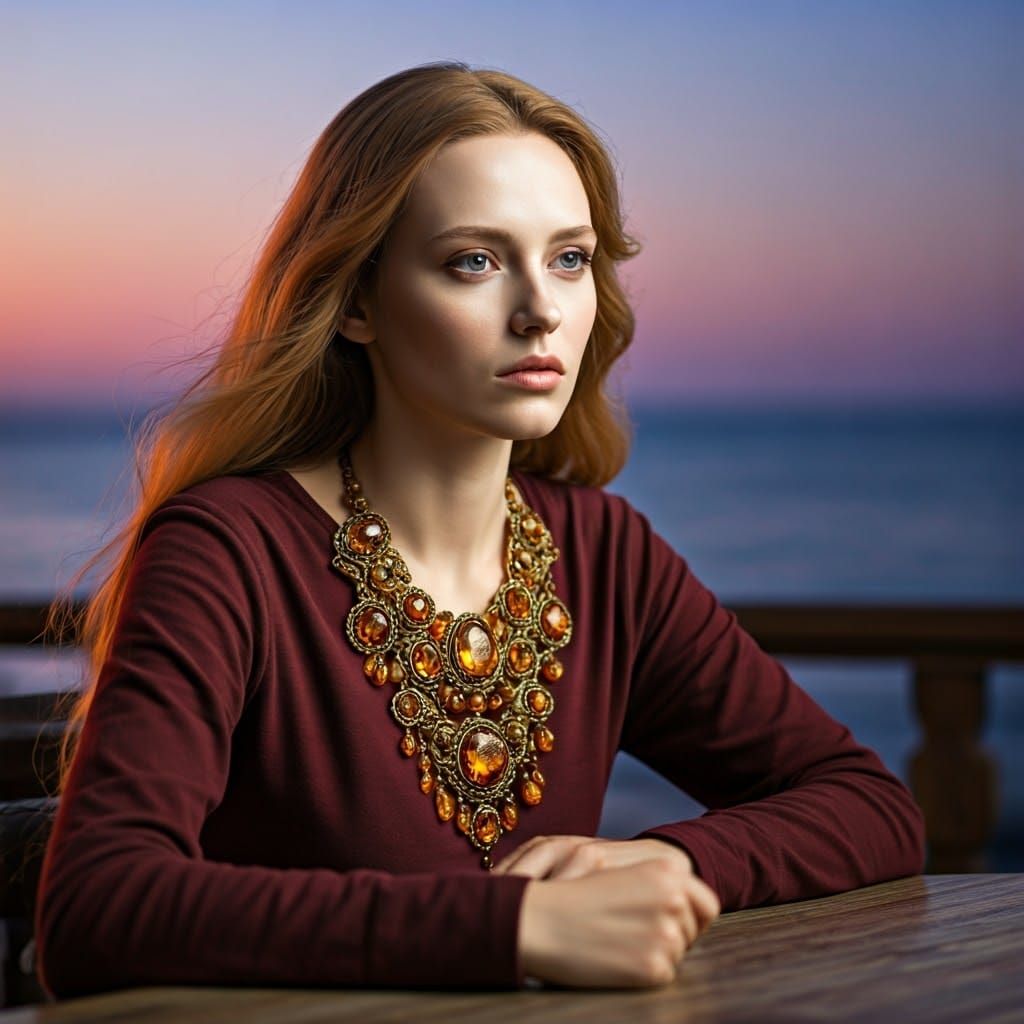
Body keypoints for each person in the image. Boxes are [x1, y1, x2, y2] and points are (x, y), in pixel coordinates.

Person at [35, 60, 926, 999]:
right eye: (476, 261)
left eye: (569, 258)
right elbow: (98, 909)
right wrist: (518, 927)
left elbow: (871, 807)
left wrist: (672, 864)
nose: (540, 309)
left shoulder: (605, 555)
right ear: (358, 302)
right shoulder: (227, 548)